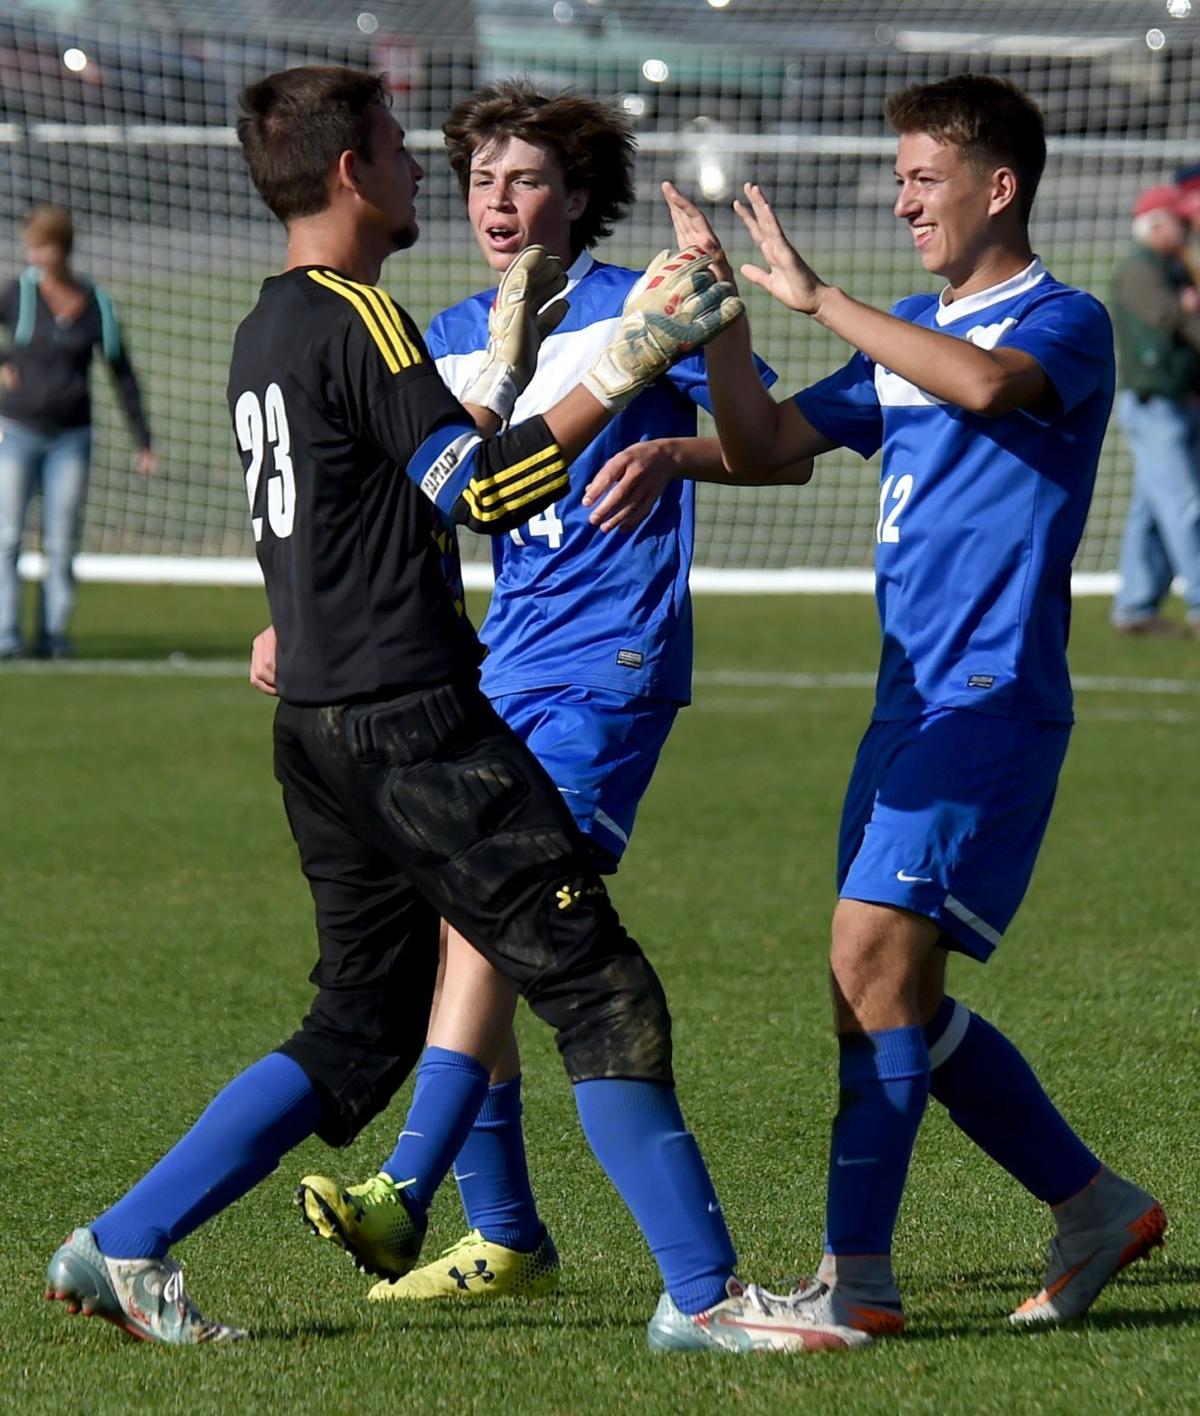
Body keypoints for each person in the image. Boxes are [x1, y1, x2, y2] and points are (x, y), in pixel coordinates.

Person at [44, 64, 822, 1355]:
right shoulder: (369, 318)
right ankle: (707, 1300)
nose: (428, 176)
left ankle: (124, 1241)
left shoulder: (266, 328)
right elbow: (491, 495)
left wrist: (514, 374)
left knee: (361, 1024)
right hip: (412, 721)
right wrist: (634, 355)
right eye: (408, 151)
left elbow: (365, 499)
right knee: (599, 984)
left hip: (316, 727)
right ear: (352, 171)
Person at [584, 73, 1166, 1347]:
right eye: (898, 176)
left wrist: (819, 300)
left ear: (998, 186)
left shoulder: (1060, 322)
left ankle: (859, 1283)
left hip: (992, 697)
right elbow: (764, 444)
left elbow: (981, 389)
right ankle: (1094, 1206)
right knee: (887, 985)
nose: (902, 198)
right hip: (903, 703)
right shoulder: (905, 327)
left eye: (922, 176)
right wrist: (724, 331)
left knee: (867, 957)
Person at [261, 78, 806, 1309]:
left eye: (525, 181)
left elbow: (762, 442)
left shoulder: (638, 305)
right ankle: (504, 1235)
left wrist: (682, 420)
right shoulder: (451, 328)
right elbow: (400, 500)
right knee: (482, 914)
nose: (496, 203)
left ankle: (410, 1186)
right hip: (492, 665)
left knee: (488, 914)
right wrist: (289, 614)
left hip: (610, 663)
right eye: (479, 180)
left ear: (576, 198)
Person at [0, 205, 156, 659]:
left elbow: (121, 372)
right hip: (17, 429)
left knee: (62, 539)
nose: (33, 255)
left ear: (61, 249)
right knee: (8, 535)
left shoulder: (95, 303)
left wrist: (142, 439)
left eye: (41, 246)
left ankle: (53, 635)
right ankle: (6, 635)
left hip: (71, 438)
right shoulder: (19, 295)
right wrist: (6, 362)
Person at [1109, 184, 1200, 636]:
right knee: (1187, 507)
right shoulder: (1142, 271)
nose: (1187, 229)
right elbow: (1178, 324)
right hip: (1155, 406)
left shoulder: (1170, 267)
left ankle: (1136, 607)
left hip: (1174, 402)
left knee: (1151, 513)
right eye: (1180, 222)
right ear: (1157, 224)